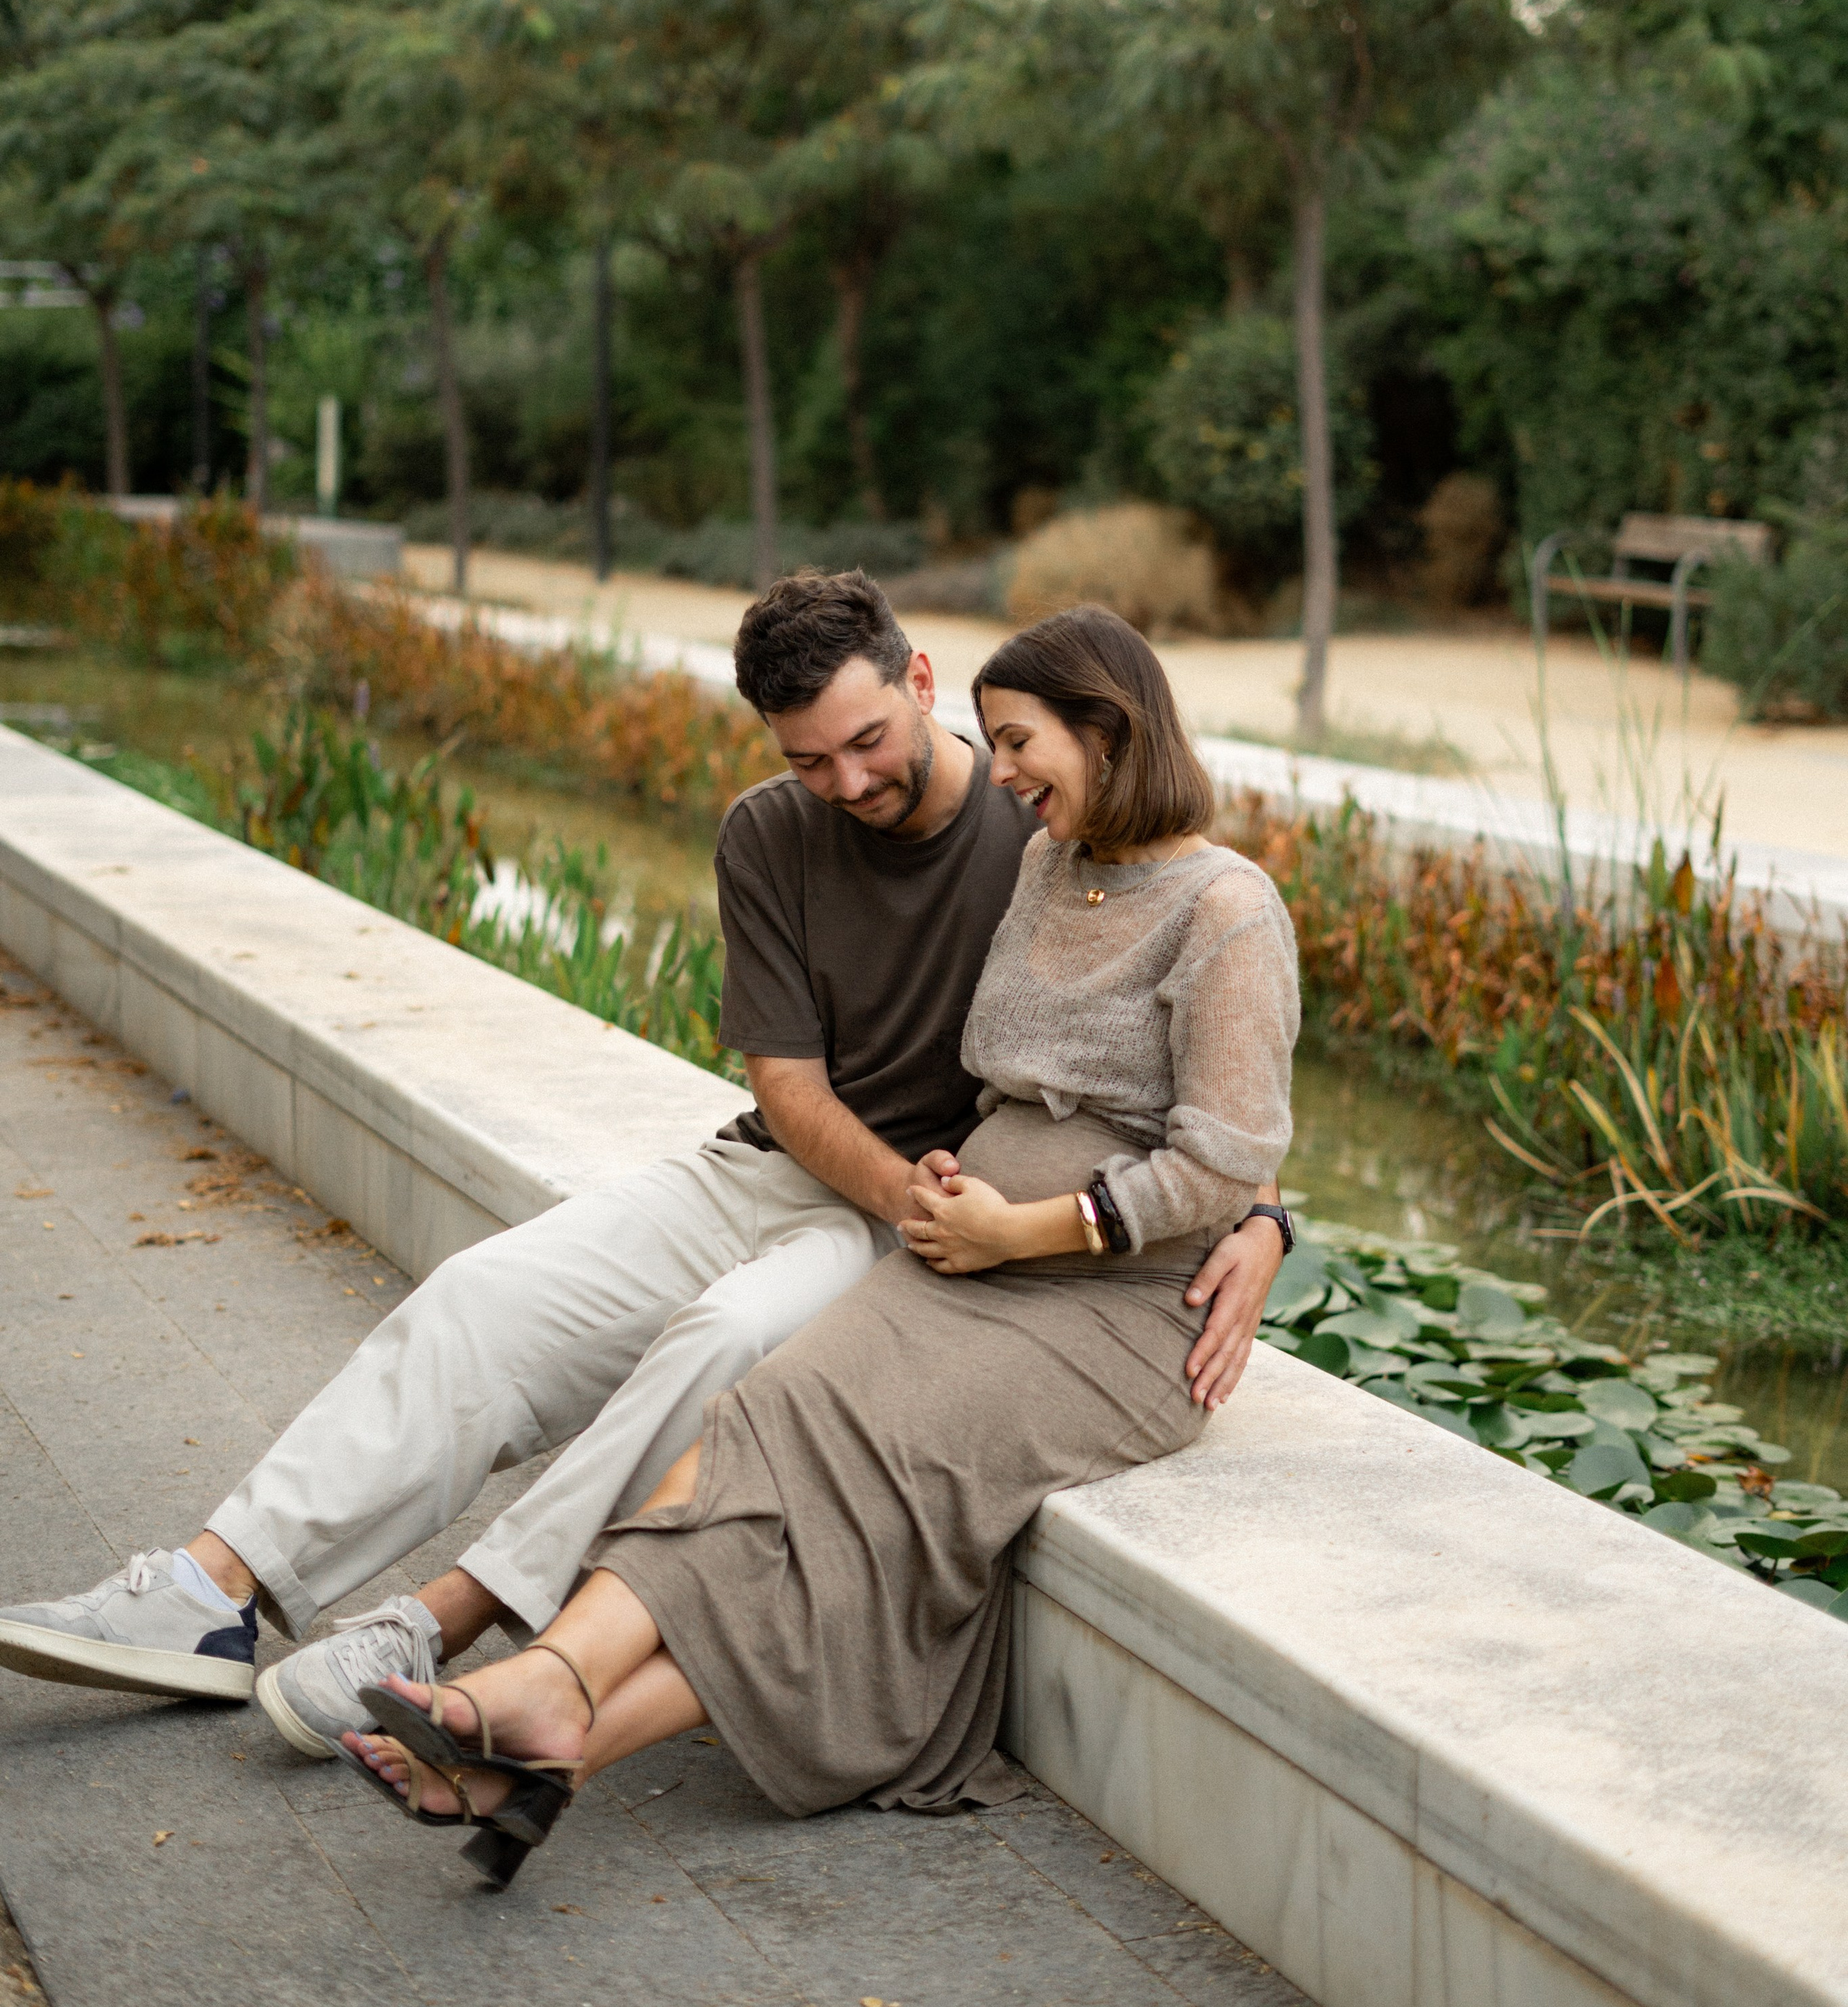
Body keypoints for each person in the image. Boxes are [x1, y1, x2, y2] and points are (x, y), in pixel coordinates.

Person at [0, 576, 1286, 1753]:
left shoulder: (1038, 822)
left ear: (921, 683)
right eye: (807, 758)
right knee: (481, 1300)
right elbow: (786, 1088)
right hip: (796, 1172)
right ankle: (206, 1593)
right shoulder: (769, 834)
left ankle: (437, 1630)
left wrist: (1267, 1217)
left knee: (728, 1339)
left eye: (866, 742)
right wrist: (908, 1193)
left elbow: (1210, 1036)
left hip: (930, 1230)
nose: (844, 781)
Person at [344, 604, 1300, 1886]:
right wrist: (965, 1185)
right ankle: (552, 1709)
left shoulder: (1229, 909)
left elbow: (1227, 1146)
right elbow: (999, 1079)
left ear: (1109, 731)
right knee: (762, 1416)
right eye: (997, 745)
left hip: (1115, 1309)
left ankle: (540, 1712)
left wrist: (1082, 1224)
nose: (1002, 773)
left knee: (854, 1490)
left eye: (1020, 744)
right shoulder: (1047, 867)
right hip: (968, 1257)